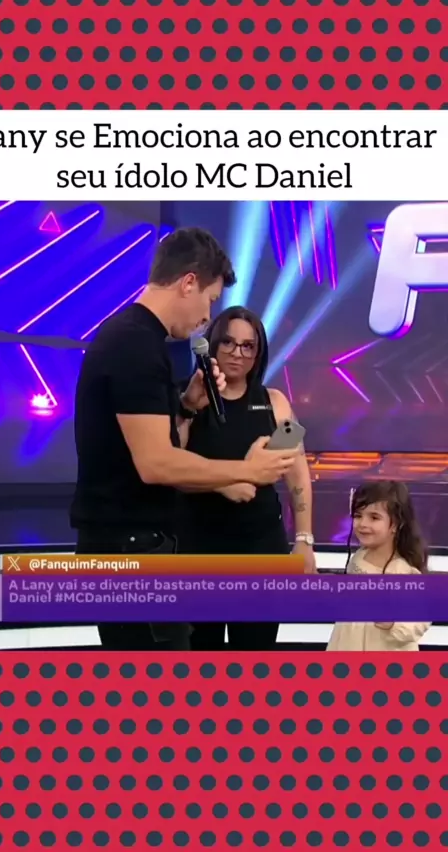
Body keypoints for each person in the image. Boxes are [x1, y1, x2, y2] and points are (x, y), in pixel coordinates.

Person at [70, 228, 299, 651]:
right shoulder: (135, 345)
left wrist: (188, 406)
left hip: (148, 545)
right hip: (130, 549)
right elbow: (156, 463)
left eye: (248, 346)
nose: (205, 317)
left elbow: (150, 446)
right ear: (188, 282)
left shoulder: (139, 340)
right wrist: (246, 471)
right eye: (210, 300)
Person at [176, 305, 316, 651]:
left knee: (256, 655)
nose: (237, 353)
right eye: (228, 342)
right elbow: (168, 466)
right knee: (199, 656)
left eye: (247, 346)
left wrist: (304, 540)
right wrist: (222, 482)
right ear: (212, 345)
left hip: (260, 548)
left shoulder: (275, 403)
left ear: (258, 353)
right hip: (199, 549)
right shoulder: (188, 401)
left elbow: (297, 470)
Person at [327, 480, 431, 651]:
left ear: (396, 524)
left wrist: (392, 623)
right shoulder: (359, 556)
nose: (363, 524)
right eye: (358, 516)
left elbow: (420, 620)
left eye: (374, 518)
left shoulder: (402, 572)